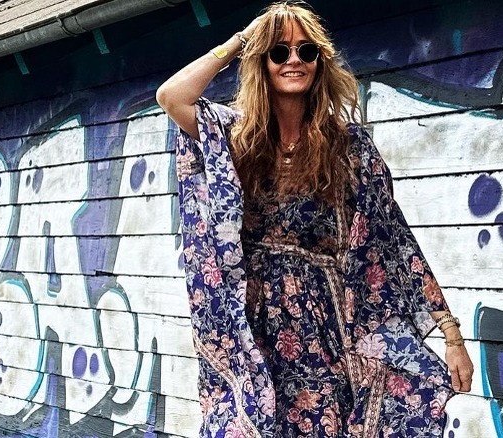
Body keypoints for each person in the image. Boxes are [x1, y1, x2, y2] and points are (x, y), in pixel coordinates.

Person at [156, 1, 474, 437]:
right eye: (279, 51)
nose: (293, 61)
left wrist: (450, 334)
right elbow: (172, 97)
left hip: (327, 330)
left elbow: (395, 242)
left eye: (306, 52)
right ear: (262, 63)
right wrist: (241, 40)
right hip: (253, 332)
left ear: (319, 64)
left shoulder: (349, 148)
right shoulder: (237, 139)